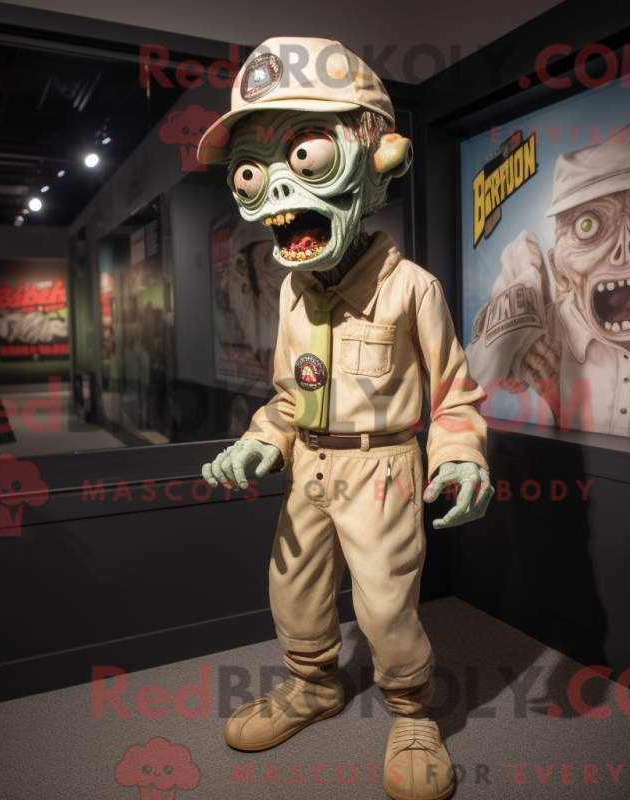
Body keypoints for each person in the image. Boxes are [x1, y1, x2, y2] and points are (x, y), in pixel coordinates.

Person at [199, 38, 494, 800]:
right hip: (309, 469)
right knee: (292, 588)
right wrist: (260, 441)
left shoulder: (412, 290)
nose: (274, 190)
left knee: (387, 605)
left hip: (383, 470)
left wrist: (461, 455)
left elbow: (454, 394)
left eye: (306, 156)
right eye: (251, 172)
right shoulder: (292, 293)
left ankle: (412, 711)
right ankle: (312, 684)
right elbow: (288, 397)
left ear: (379, 160)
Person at [466, 122, 630, 445]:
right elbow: (467, 391)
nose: (625, 248)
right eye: (588, 225)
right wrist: (518, 341)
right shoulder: (549, 325)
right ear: (560, 268)